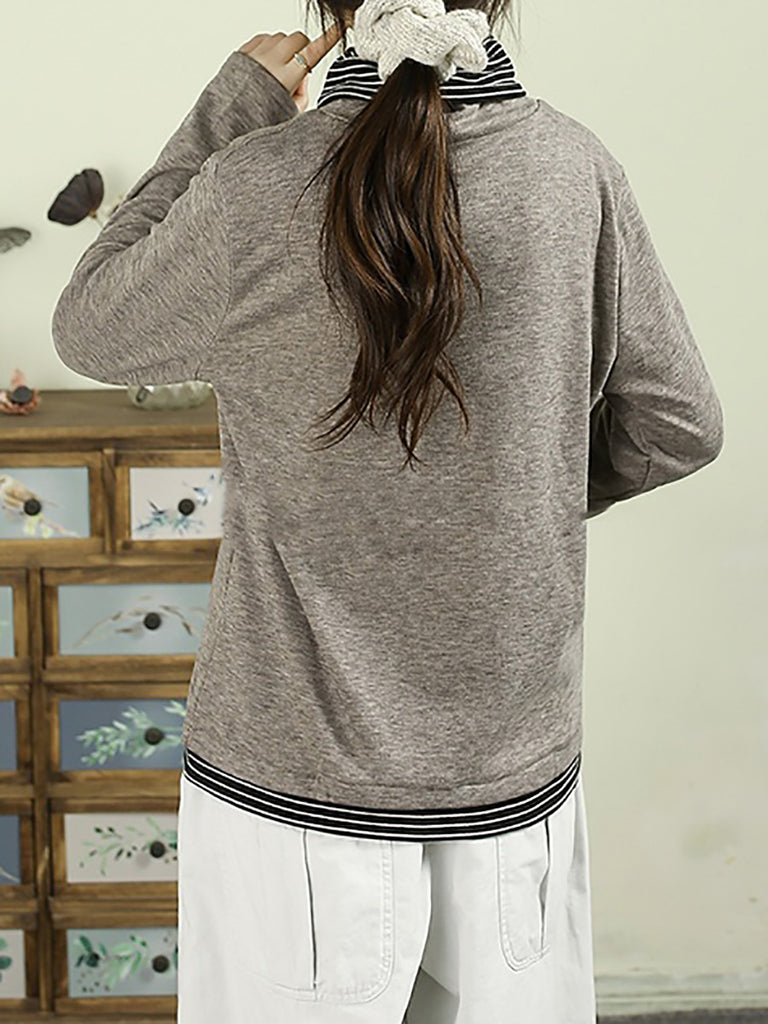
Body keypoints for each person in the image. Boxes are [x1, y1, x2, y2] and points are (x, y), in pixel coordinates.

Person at [51, 0, 725, 1021]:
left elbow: (89, 325)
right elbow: (679, 424)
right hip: (509, 786)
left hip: (287, 792)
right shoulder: (571, 171)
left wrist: (235, 103)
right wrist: (515, 498)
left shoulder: (255, 185)